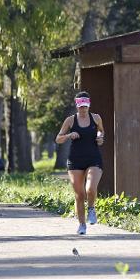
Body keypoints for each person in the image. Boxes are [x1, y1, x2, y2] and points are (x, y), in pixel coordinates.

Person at [55, 91, 104, 235]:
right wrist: (69, 135)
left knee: (90, 189)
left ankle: (91, 209)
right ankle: (82, 225)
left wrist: (100, 137)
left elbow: (101, 131)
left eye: (86, 106)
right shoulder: (70, 120)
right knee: (79, 194)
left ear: (89, 105)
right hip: (75, 160)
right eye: (81, 106)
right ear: (77, 106)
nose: (83, 109)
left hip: (93, 158)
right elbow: (58, 138)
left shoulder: (96, 118)